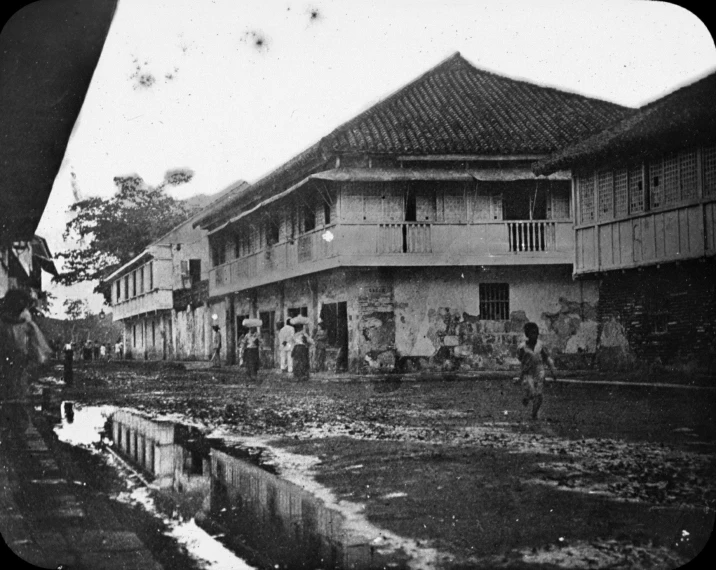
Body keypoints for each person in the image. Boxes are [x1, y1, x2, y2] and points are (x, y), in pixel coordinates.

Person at [0, 289, 52, 401]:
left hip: (17, 361)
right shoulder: (22, 323)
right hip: (12, 361)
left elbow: (37, 349)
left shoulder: (26, 324)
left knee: (16, 390)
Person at [517, 322, 557, 421]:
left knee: (539, 395)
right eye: (531, 333)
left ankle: (534, 414)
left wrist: (553, 370)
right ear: (527, 334)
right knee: (532, 392)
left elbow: (547, 359)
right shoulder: (522, 347)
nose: (534, 335)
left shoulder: (540, 346)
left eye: (536, 333)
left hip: (539, 371)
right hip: (528, 373)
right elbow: (520, 359)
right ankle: (527, 397)